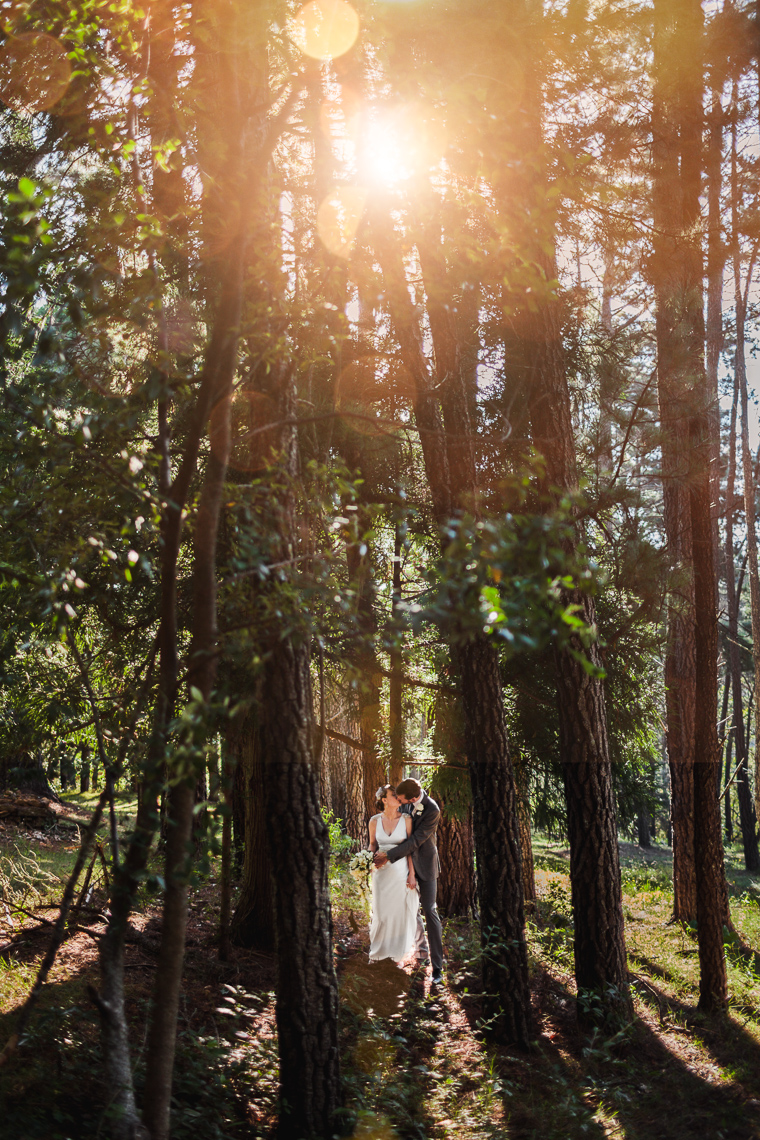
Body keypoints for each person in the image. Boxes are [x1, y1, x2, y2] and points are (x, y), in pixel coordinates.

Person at [373, 777, 444, 983]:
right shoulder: (403, 804)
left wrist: (388, 855)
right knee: (409, 909)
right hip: (405, 865)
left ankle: (437, 967)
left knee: (430, 910)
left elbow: (415, 841)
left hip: (426, 865)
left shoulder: (432, 810)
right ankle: (421, 952)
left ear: (413, 798)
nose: (401, 803)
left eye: (403, 800)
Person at [368, 784, 419, 963]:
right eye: (393, 795)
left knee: (398, 912)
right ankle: (379, 951)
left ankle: (396, 953)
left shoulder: (406, 819)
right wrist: (367, 860)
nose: (398, 797)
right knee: (382, 912)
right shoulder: (374, 821)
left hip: (400, 870)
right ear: (384, 800)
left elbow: (410, 848)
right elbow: (373, 844)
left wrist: (411, 874)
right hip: (381, 873)